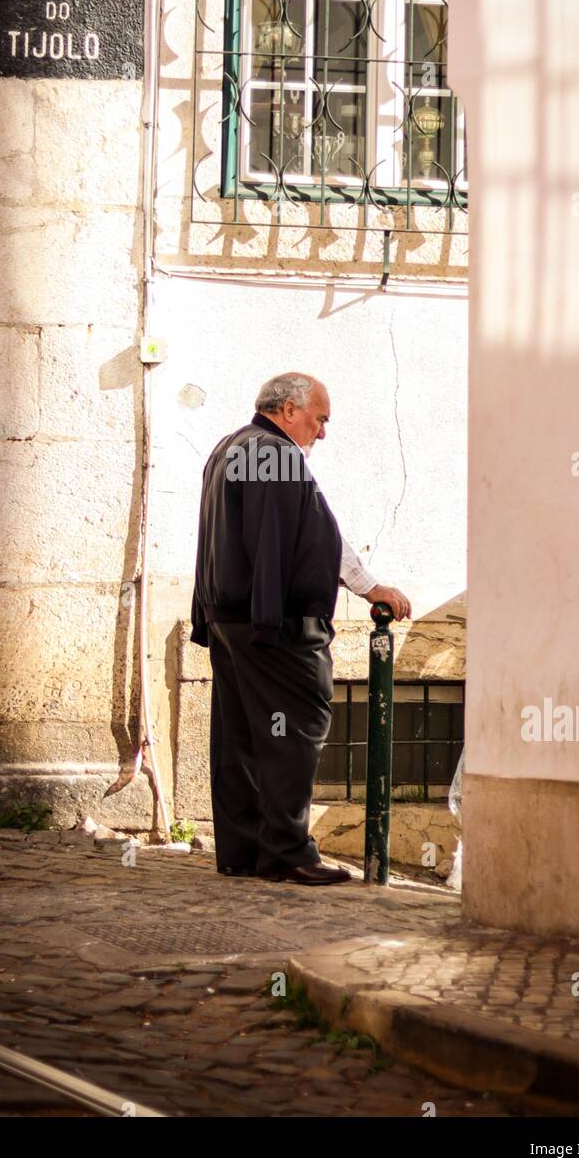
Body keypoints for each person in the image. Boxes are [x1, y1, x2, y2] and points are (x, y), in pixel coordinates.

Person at [190, 372, 411, 885]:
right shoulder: (276, 453)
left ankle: (243, 852)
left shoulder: (230, 447)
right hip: (274, 623)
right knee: (296, 726)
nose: (323, 432)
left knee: (242, 733)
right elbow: (320, 535)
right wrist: (371, 587)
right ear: (289, 410)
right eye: (320, 418)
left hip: (228, 619)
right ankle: (288, 852)